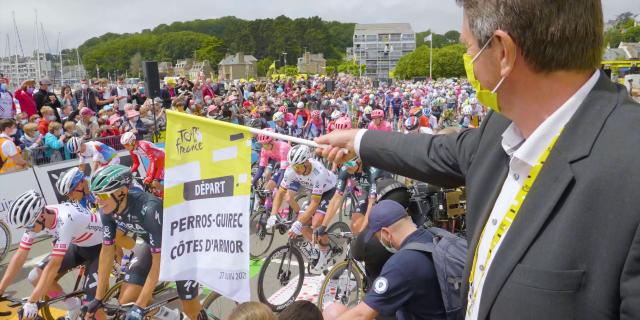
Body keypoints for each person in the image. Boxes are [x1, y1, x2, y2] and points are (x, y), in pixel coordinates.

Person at [317, 1, 640, 318]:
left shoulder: (628, 168)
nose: (467, 60)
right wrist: (359, 140)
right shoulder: (502, 125)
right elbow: (437, 153)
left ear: (502, 51)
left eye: (469, 48)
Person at [84, 165, 209, 320]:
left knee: (191, 311)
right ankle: (174, 317)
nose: (97, 202)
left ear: (121, 192)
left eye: (102, 196)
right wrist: (98, 298)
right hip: (152, 242)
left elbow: (158, 262)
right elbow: (107, 251)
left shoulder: (149, 208)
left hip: (182, 246)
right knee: (127, 301)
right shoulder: (107, 211)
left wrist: (140, 306)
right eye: (96, 195)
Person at [324, 200, 446, 320]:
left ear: (386, 233)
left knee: (332, 313)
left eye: (378, 237)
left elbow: (361, 315)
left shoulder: (402, 264)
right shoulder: (433, 236)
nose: (380, 241)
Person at [0, 190, 104, 320]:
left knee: (91, 306)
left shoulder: (65, 219)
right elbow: (20, 255)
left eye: (30, 226)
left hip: (100, 248)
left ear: (41, 216)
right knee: (35, 276)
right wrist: (1, 289)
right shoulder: (40, 218)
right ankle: (73, 306)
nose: (29, 230)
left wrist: (32, 302)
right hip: (79, 244)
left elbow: (54, 265)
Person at [266, 145, 338, 272]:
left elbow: (315, 203)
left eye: (299, 167)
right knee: (304, 225)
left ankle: (326, 252)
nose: (296, 170)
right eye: (294, 167)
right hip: (314, 191)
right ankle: (317, 247)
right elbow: (280, 193)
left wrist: (298, 223)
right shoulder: (291, 170)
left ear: (306, 162)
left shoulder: (318, 172)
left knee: (316, 223)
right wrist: (273, 214)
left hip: (330, 190)